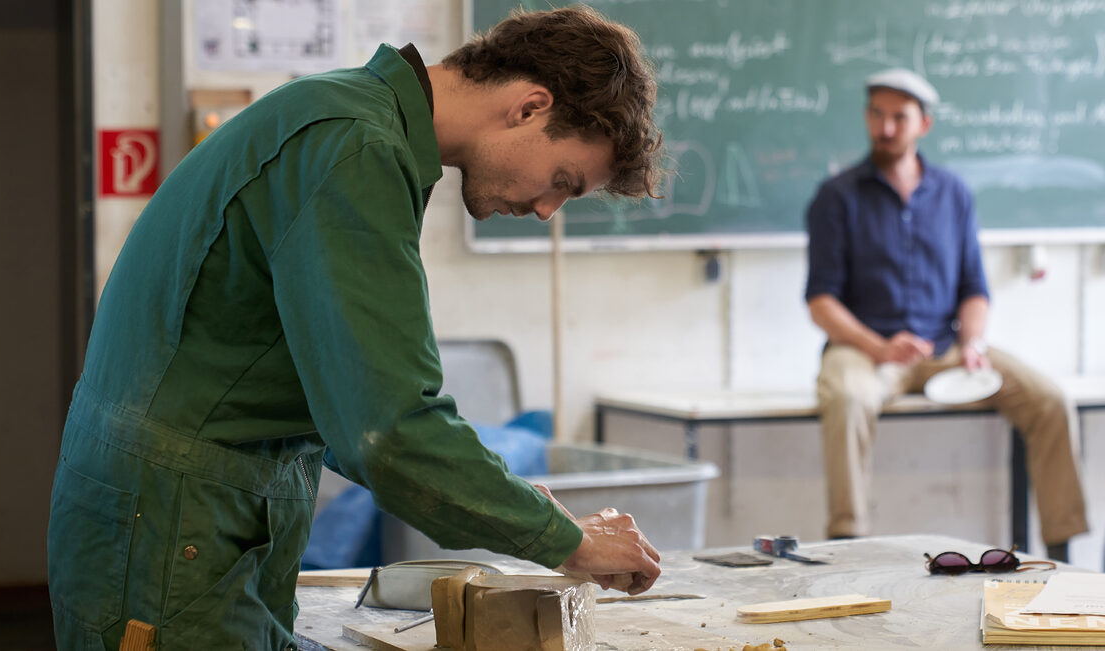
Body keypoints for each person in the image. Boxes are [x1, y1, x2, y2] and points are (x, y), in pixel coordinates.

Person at [47, 6, 665, 649]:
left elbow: (344, 397)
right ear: (529, 106)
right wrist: (564, 540)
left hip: (177, 521)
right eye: (561, 181)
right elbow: (386, 427)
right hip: (175, 533)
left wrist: (507, 497)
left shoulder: (347, 113)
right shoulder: (357, 147)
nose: (545, 210)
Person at [803, 68, 1087, 559]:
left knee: (1049, 399)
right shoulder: (837, 197)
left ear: (924, 125)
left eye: (899, 117)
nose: (886, 127)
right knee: (847, 399)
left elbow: (975, 290)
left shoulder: (954, 194)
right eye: (877, 114)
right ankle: (847, 546)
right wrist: (879, 347)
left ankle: (1062, 550)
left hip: (947, 348)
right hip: (866, 351)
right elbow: (821, 302)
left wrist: (973, 344)